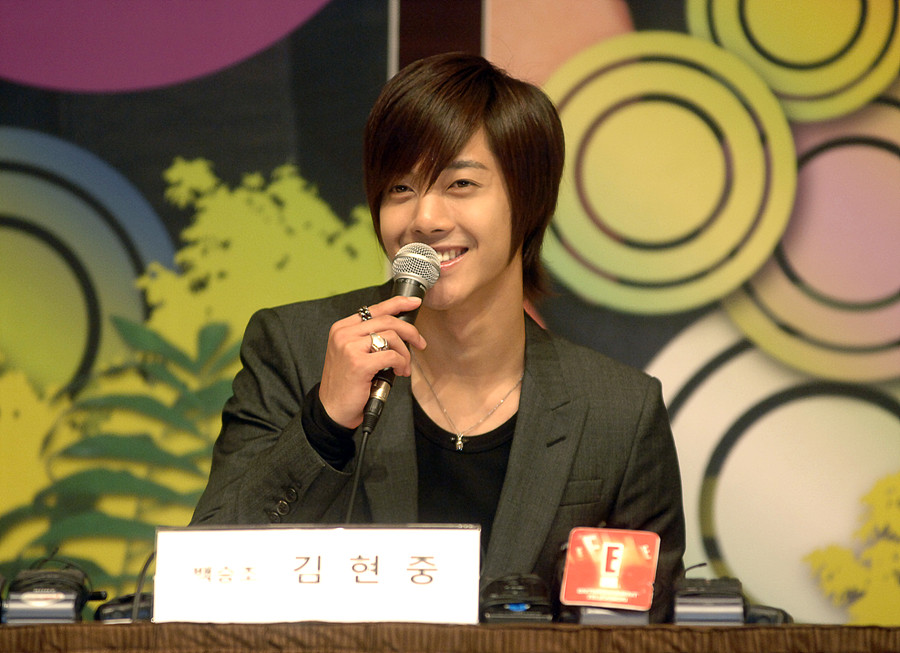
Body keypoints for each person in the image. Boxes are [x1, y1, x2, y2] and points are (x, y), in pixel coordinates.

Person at [191, 52, 686, 622]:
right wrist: (323, 423)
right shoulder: (296, 348)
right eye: (400, 188)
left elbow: (645, 632)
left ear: (529, 200)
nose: (424, 218)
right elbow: (205, 574)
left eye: (461, 183)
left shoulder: (616, 412)